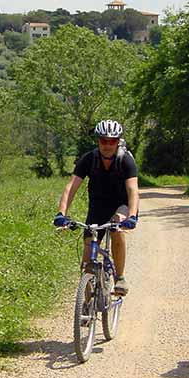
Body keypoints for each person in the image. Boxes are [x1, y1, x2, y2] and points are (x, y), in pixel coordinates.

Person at [53, 119, 140, 296]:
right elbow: (71, 188)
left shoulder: (125, 160)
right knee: (87, 252)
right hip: (97, 206)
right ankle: (86, 303)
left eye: (112, 141)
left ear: (118, 141)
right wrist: (62, 214)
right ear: (98, 141)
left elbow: (132, 190)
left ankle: (120, 277)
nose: (107, 145)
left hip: (122, 205)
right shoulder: (89, 159)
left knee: (117, 229)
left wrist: (132, 216)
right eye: (103, 141)